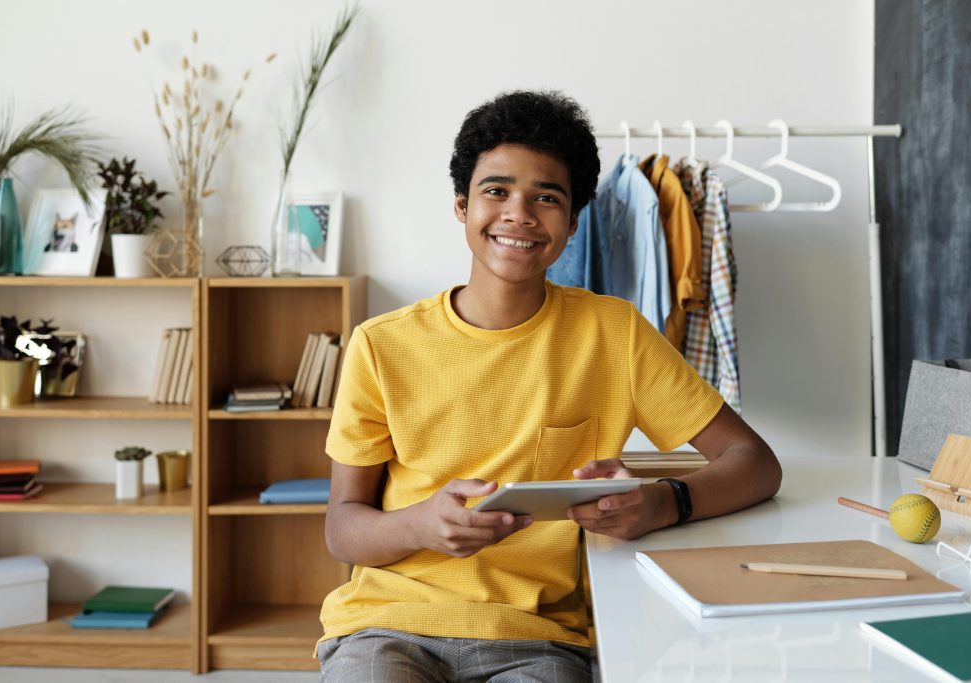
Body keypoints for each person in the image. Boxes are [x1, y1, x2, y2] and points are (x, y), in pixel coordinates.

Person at [317, 90, 782, 682]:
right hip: (385, 625)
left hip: (540, 640)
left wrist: (660, 502)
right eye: (496, 191)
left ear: (574, 220)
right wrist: (418, 524)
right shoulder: (381, 344)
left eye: (547, 197)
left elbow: (755, 463)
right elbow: (342, 527)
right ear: (461, 205)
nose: (520, 213)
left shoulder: (614, 334)